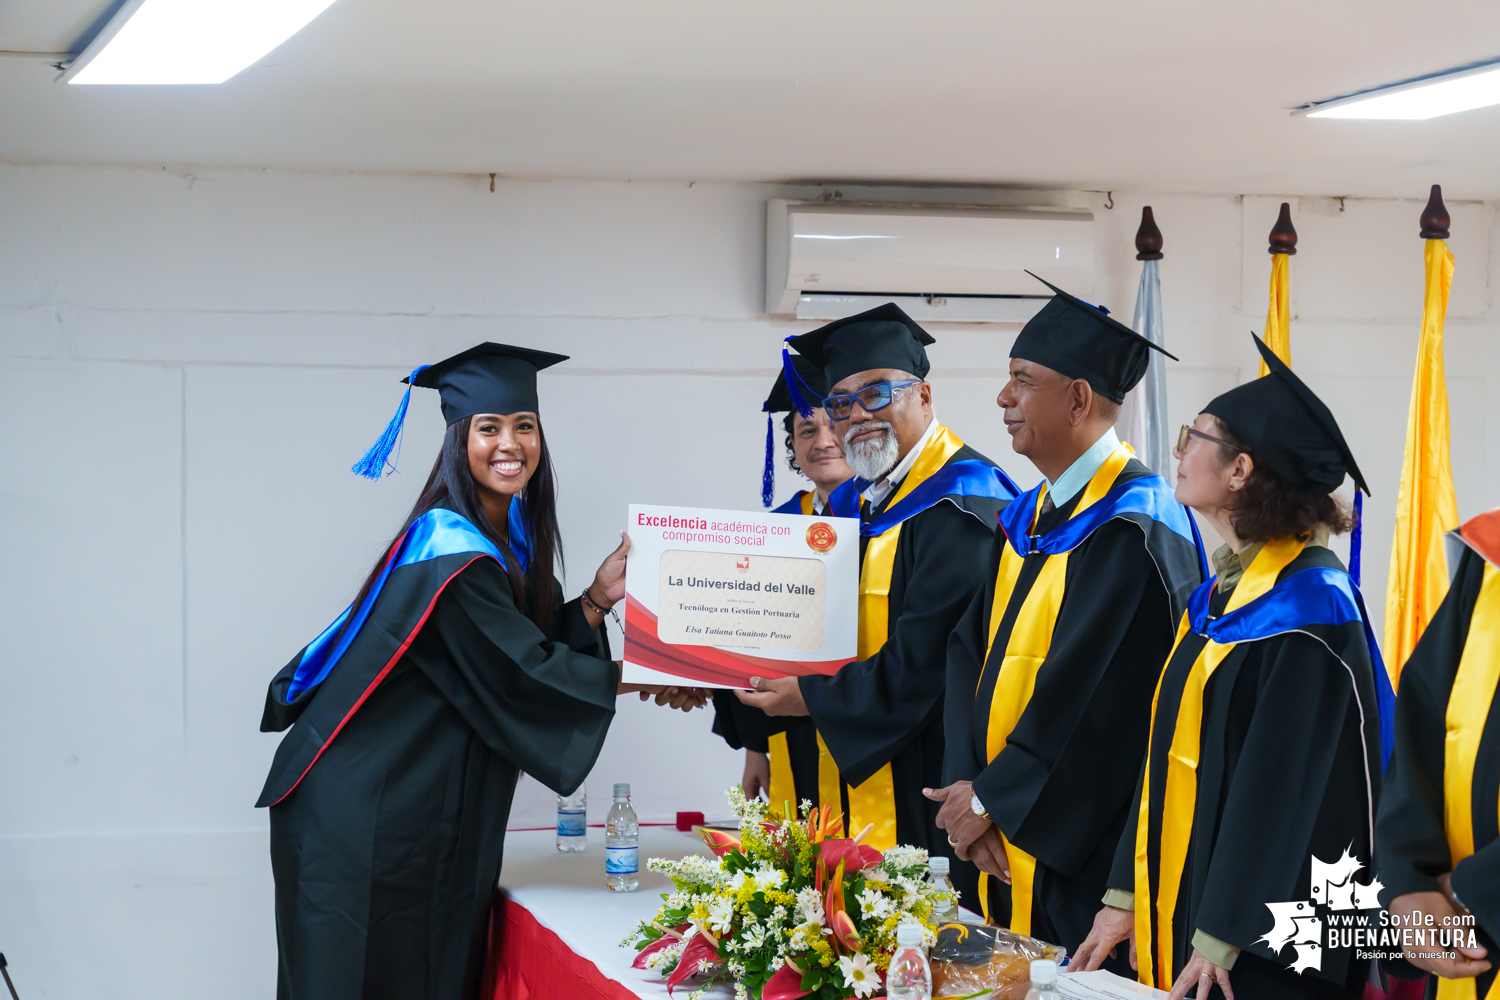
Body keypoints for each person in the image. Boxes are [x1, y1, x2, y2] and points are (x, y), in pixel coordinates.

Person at [257, 343, 704, 1000]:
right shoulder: (450, 553)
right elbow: (521, 674)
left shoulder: (499, 542)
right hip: (366, 813)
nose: (510, 443)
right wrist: (655, 670)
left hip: (412, 802)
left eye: (524, 425)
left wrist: (597, 599)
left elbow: (519, 648)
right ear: (456, 441)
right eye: (488, 428)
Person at [1073, 334, 1390, 1000]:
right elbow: (1164, 753)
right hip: (1193, 911)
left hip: (1266, 939)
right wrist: (1125, 894)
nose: (1178, 451)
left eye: (1195, 436)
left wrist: (1225, 931)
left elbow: (1280, 787)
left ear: (1241, 469)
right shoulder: (1218, 599)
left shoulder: (1313, 610)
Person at [928, 275, 1204, 963]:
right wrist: (969, 800)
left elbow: (1097, 702)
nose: (1002, 398)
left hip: (1077, 852)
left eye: (1022, 379)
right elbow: (966, 654)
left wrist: (993, 798)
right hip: (991, 838)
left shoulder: (1137, 526)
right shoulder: (1025, 516)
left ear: (1079, 397)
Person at [734, 302, 1018, 909]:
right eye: (840, 403)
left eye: (876, 393)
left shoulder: (964, 502)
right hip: (889, 770)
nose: (854, 415)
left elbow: (929, 660)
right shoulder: (876, 501)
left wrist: (807, 696)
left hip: (938, 780)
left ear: (924, 397)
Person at [715, 355, 856, 802]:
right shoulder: (777, 527)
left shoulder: (894, 520)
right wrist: (756, 749)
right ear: (792, 446)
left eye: (833, 425)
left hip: (866, 723)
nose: (823, 441)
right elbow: (748, 638)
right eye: (807, 430)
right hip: (792, 730)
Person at [1376, 505, 1499, 999]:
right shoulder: (1489, 555)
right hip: (1455, 937)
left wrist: (1468, 891)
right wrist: (1410, 883)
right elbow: (1422, 718)